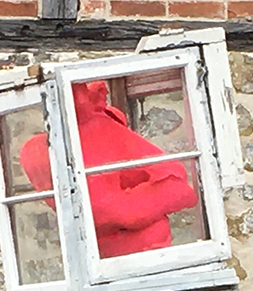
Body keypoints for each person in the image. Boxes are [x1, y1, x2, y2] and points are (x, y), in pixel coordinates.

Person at [19, 80, 198, 258]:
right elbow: (105, 210)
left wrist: (129, 207)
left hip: (150, 254)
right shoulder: (38, 150)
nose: (80, 100)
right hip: (104, 260)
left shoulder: (104, 129)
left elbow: (179, 187)